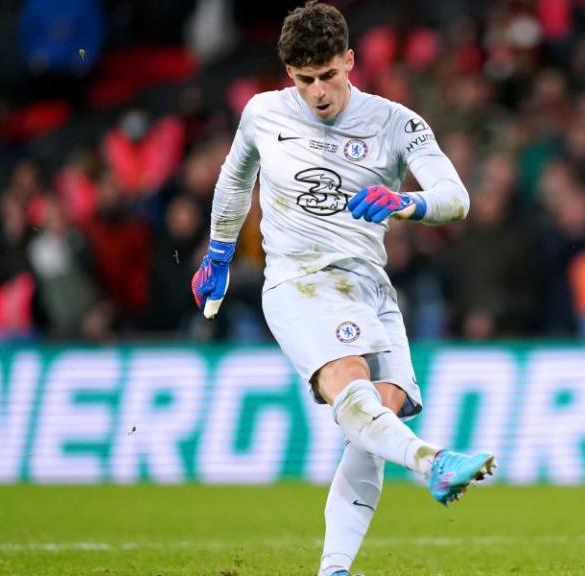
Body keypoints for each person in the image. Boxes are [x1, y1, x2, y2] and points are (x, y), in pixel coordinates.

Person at [190, 3, 496, 575]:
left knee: (379, 421)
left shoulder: (395, 122)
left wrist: (407, 203)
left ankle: (333, 570)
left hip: (371, 287)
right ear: (289, 75)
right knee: (350, 386)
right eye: (304, 80)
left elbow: (457, 198)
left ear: (350, 61)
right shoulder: (262, 114)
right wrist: (220, 253)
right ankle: (433, 463)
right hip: (299, 282)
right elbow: (235, 179)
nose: (318, 92)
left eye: (328, 75)